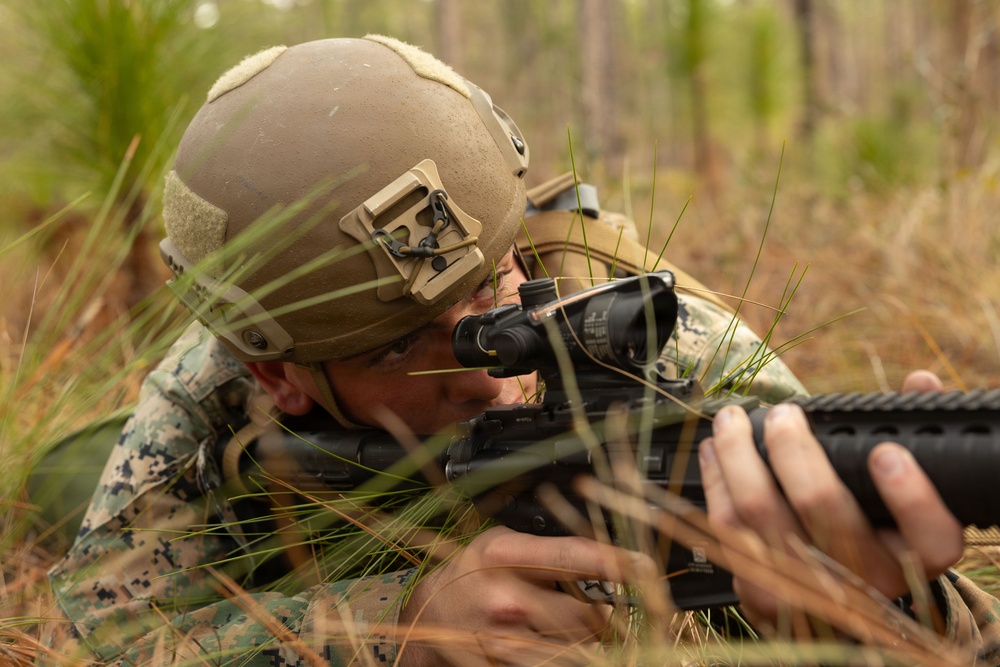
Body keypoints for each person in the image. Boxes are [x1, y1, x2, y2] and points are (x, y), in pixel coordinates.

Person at [40, 35, 997, 666]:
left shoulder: (655, 339)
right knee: (56, 477)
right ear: (278, 374)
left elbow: (964, 633)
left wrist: (877, 615)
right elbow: (107, 626)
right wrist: (395, 626)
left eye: (493, 291)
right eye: (409, 342)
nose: (481, 368)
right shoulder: (226, 369)